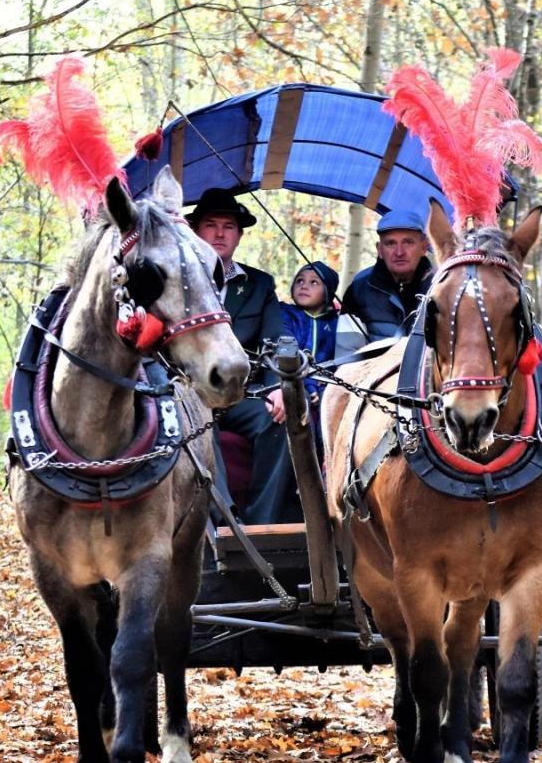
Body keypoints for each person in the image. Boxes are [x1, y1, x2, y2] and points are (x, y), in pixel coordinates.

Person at [186, 187, 290, 525]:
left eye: (228, 226)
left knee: (280, 422)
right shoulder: (179, 282)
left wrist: (277, 387)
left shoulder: (259, 285)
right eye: (211, 225)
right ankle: (226, 524)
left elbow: (275, 341)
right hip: (192, 394)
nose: (219, 233)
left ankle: (263, 526)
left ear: (239, 235)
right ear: (194, 230)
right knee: (200, 424)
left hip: (244, 393)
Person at [341, 210, 435, 341]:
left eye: (408, 242)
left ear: (424, 247)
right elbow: (347, 351)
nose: (399, 252)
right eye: (390, 243)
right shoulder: (358, 289)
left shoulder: (441, 287)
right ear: (379, 250)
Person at [279, 261, 340, 453]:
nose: (304, 286)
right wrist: (309, 384)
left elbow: (339, 359)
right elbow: (290, 353)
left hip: (326, 384)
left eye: (314, 283)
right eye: (299, 281)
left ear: (328, 293)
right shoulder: (285, 314)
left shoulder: (336, 322)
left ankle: (328, 464)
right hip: (294, 379)